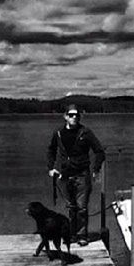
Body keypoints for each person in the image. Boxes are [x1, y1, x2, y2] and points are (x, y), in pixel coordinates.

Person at [47, 104, 105, 246]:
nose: (74, 117)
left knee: (82, 207)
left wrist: (95, 169)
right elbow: (51, 150)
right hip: (64, 176)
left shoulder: (85, 133)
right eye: (71, 115)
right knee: (71, 207)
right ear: (65, 116)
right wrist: (51, 168)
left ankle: (82, 235)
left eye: (77, 115)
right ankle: (72, 234)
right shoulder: (59, 133)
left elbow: (99, 151)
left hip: (82, 175)